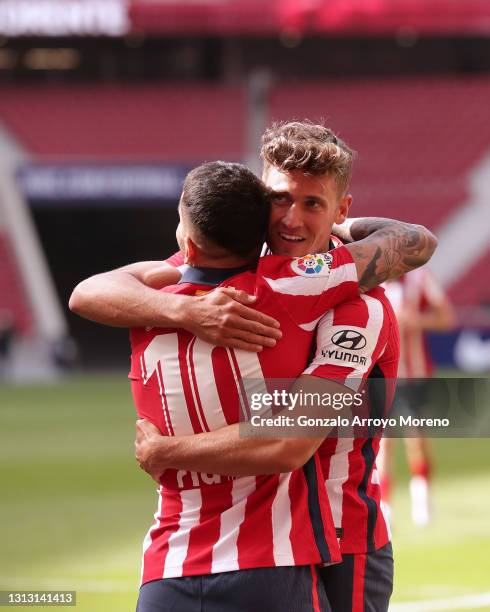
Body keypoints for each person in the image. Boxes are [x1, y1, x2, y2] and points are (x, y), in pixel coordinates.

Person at [70, 123, 437, 611]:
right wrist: (185, 311)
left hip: (343, 535)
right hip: (275, 549)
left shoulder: (357, 302)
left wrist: (169, 450)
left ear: (341, 209)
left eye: (313, 204)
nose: (291, 219)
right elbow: (95, 291)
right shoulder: (240, 271)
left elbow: (290, 440)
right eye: (281, 200)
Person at [379, 267, 455, 526]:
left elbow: (446, 318)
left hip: (414, 374)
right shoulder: (369, 279)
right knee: (382, 445)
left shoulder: (419, 278)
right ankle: (385, 507)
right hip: (381, 378)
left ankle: (421, 499)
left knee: (416, 438)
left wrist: (415, 320)